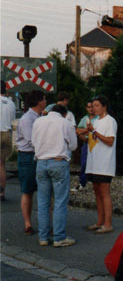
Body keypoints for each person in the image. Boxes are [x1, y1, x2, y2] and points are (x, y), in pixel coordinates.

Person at [32, 104, 78, 247]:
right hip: (58, 162)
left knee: (43, 202)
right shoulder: (65, 123)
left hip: (41, 163)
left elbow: (33, 142)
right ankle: (59, 237)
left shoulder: (38, 121)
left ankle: (43, 237)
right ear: (64, 114)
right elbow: (73, 146)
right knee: (60, 201)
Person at [15, 90, 47, 235]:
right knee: (27, 190)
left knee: (44, 190)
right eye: (44, 99)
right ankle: (27, 223)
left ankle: (45, 223)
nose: (45, 101)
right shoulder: (27, 119)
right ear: (39, 101)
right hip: (28, 156)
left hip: (40, 155)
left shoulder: (41, 117)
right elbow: (31, 140)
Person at [86, 95, 118, 234]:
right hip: (94, 162)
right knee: (97, 192)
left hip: (105, 163)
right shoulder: (96, 121)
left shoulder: (110, 121)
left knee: (104, 193)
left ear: (104, 106)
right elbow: (94, 139)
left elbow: (110, 141)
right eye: (93, 106)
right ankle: (99, 221)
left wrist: (94, 131)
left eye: (97, 105)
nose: (94, 108)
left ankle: (108, 223)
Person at [71, 100, 95, 192]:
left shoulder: (98, 119)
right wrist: (84, 134)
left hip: (96, 144)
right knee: (84, 163)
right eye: (89, 107)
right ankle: (82, 183)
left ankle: (95, 184)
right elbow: (77, 131)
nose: (91, 109)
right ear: (86, 108)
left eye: (92, 107)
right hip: (86, 143)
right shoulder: (84, 119)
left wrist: (84, 131)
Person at [0, 81, 16, 202]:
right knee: (2, 164)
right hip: (6, 134)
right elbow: (12, 121)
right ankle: (1, 193)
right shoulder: (11, 103)